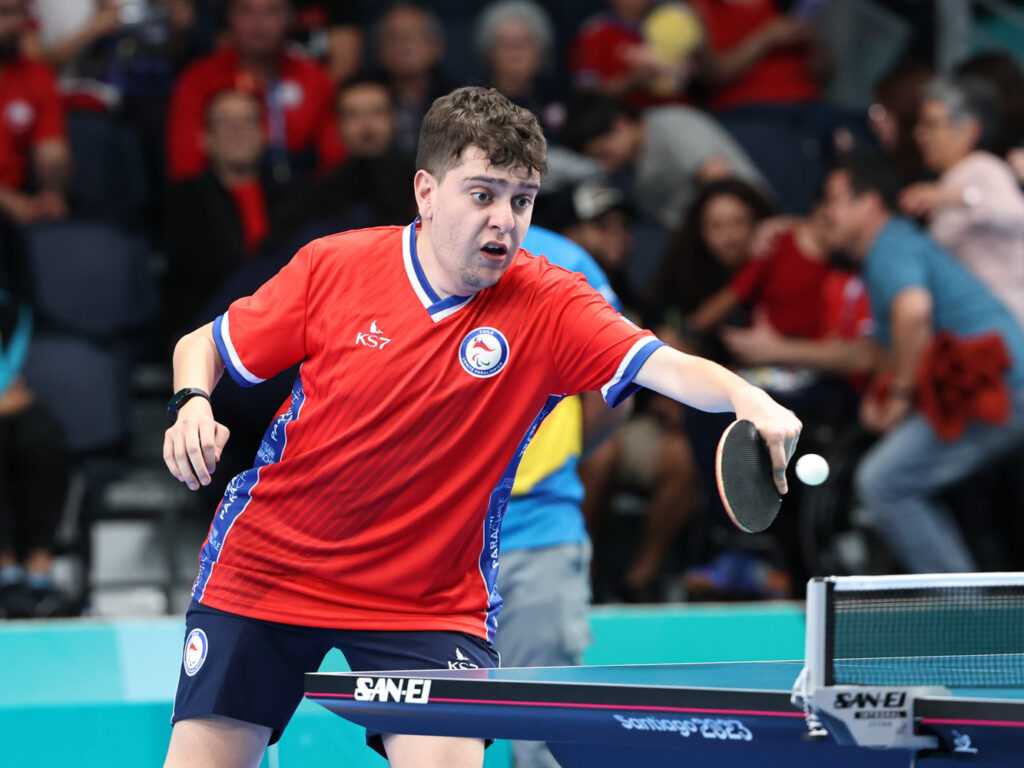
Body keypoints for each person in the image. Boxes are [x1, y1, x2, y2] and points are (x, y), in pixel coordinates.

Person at [160, 85, 800, 768]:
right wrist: (192, 402)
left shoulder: (550, 302)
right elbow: (204, 343)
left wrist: (745, 397)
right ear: (427, 191)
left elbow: (663, 366)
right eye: (483, 194)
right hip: (270, 568)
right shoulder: (336, 265)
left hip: (426, 601)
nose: (504, 220)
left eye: (521, 200)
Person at [822, 155, 1024, 574]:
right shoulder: (892, 249)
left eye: (835, 200)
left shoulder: (889, 244)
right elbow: (876, 352)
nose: (827, 212)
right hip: (990, 387)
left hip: (1003, 387)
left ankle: (965, 618)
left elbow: (914, 313)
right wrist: (774, 349)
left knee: (883, 482)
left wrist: (899, 392)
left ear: (869, 204)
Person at [496, 223, 628, 767]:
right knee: (427, 742)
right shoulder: (395, 256)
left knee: (547, 744)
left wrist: (564, 448)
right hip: (426, 548)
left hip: (537, 534)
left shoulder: (567, 260)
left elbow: (619, 385)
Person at [164, 89, 305, 340]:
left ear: (264, 134)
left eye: (248, 120)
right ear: (205, 138)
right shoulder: (183, 200)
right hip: (210, 328)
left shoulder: (294, 196)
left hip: (286, 325)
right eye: (225, 122)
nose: (238, 130)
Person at [166, 0, 343, 182]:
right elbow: (185, 167)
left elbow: (333, 161)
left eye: (272, 12)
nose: (258, 23)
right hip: (220, 196)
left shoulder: (316, 79)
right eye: (246, 11)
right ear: (230, 17)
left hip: (300, 192)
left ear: (291, 19)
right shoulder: (198, 79)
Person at [900, 75, 1024, 329]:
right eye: (920, 125)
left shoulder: (984, 167)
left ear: (969, 129)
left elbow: (1017, 215)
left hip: (1005, 322)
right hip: (975, 322)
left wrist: (960, 197)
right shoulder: (952, 178)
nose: (921, 135)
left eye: (931, 125)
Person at [561, 93, 769, 231]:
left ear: (621, 123)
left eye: (604, 153)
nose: (607, 165)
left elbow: (719, 179)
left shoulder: (670, 125)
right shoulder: (632, 168)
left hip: (754, 224)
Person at [0, 0, 70, 227]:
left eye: (22, 12)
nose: (17, 22)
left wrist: (52, 192)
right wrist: (7, 201)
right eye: (5, 12)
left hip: (18, 200)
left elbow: (51, 150)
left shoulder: (36, 75)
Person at [372, 3, 455, 157]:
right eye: (394, 37)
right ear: (379, 50)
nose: (404, 45)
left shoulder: (457, 99)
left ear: (436, 46)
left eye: (414, 35)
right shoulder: (365, 97)